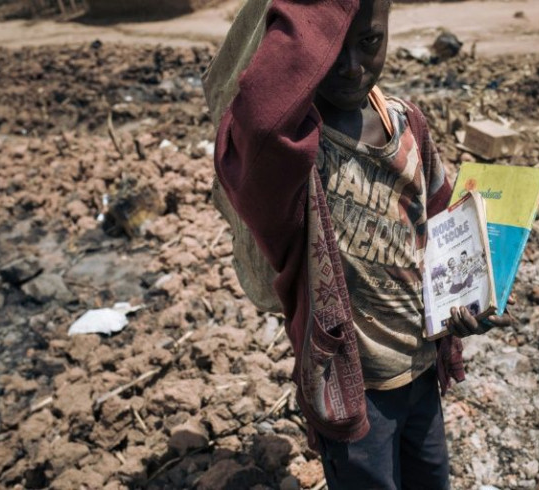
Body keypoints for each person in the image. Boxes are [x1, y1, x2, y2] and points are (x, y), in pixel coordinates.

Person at [213, 0, 511, 487]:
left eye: (369, 43)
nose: (352, 67)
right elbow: (261, 118)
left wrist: (470, 301)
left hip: (419, 365)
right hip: (352, 387)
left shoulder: (406, 124)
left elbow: (443, 224)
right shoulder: (292, 153)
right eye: (330, 49)